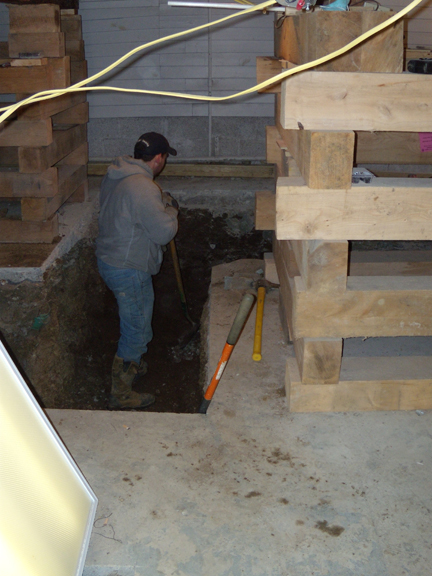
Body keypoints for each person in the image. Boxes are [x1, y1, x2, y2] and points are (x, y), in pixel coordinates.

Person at [96, 132, 179, 409]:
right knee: (137, 329)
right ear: (158, 158)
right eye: (165, 157)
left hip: (110, 258)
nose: (164, 162)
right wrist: (171, 211)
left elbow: (132, 208)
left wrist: (158, 202)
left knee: (135, 319)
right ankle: (120, 393)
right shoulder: (144, 188)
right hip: (128, 268)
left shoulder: (117, 174)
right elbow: (164, 232)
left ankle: (133, 363)